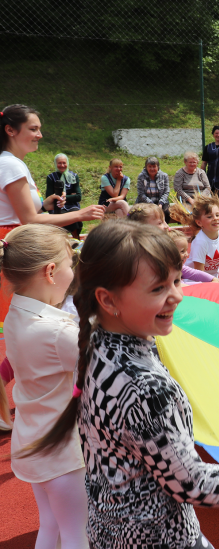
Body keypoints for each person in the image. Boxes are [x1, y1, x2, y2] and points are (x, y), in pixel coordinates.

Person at [24, 220, 219, 549]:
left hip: (108, 531)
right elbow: (191, 482)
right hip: (158, 538)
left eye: (176, 281)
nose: (177, 296)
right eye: (158, 289)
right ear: (108, 301)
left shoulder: (95, 346)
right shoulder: (145, 387)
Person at [0, 224, 87, 549]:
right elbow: (98, 369)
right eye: (69, 264)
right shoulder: (56, 331)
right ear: (51, 271)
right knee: (78, 534)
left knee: (51, 526)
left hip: (33, 444)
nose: (72, 271)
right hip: (63, 454)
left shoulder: (16, 315)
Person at [0, 104, 105, 328]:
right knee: (17, 317)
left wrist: (45, 204)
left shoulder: (12, 163)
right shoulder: (10, 165)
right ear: (11, 130)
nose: (40, 134)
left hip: (16, 238)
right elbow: (28, 219)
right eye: (33, 129)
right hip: (15, 242)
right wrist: (81, 213)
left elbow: (20, 211)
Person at [172, 194, 219, 287]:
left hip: (214, 280)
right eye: (209, 217)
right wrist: (213, 284)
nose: (215, 218)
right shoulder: (200, 242)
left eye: (217, 215)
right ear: (199, 222)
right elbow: (199, 273)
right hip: (196, 283)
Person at [44, 153, 82, 237]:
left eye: (64, 163)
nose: (62, 165)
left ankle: (76, 237)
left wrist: (64, 197)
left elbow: (78, 196)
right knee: (62, 216)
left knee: (74, 215)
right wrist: (70, 196)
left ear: (67, 163)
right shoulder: (51, 177)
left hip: (71, 205)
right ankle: (62, 238)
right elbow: (49, 196)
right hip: (56, 205)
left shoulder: (74, 176)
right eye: (59, 163)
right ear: (55, 164)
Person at [136, 156, 171, 223]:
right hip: (145, 202)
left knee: (166, 213)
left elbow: (166, 192)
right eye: (150, 167)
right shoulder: (141, 176)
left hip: (161, 202)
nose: (152, 169)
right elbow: (140, 193)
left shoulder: (164, 176)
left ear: (158, 167)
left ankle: (163, 229)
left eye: (154, 166)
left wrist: (160, 203)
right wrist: (151, 204)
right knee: (146, 214)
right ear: (146, 167)